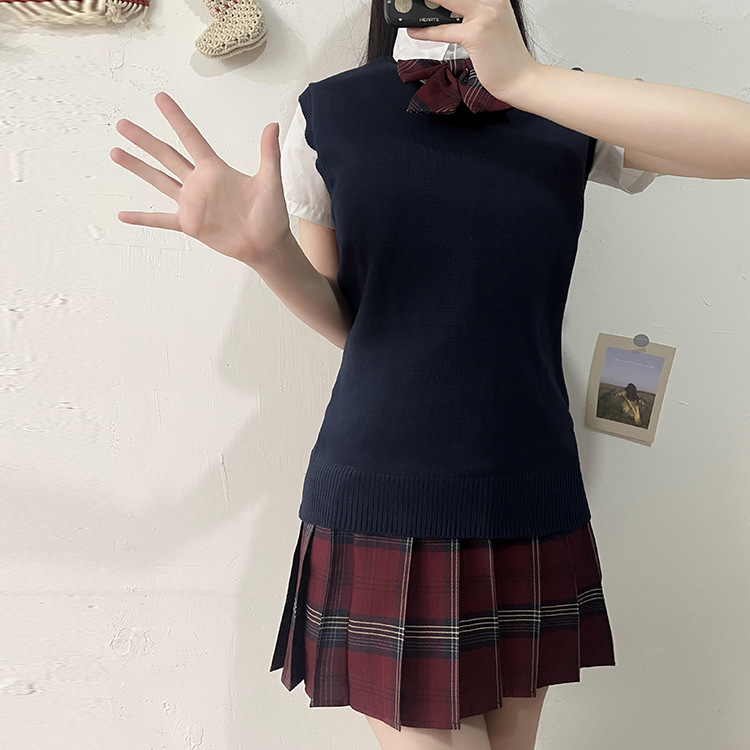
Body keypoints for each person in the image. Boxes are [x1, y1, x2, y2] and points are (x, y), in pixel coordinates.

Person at [109, 0, 692, 746]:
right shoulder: (329, 112)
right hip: (386, 490)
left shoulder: (570, 104)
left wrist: (532, 80)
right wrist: (267, 253)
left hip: (529, 485)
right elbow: (357, 324)